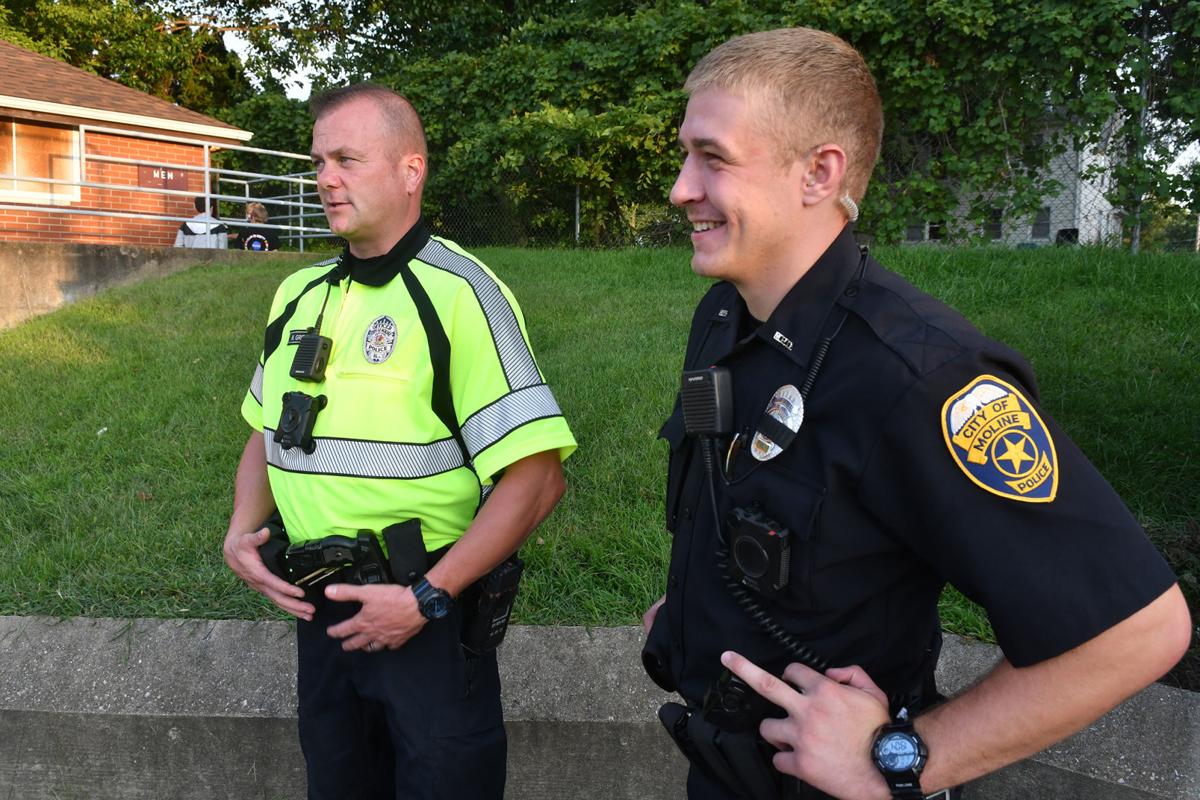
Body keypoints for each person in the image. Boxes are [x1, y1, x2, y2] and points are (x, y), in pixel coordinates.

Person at [640, 27, 1191, 800]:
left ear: (818, 173)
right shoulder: (727, 318)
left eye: (713, 157)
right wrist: (701, 604)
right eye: (685, 155)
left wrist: (904, 756)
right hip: (725, 767)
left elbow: (1137, 631)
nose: (679, 187)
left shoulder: (922, 376)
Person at [223, 83, 576, 800]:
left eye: (347, 159)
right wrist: (240, 529)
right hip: (321, 611)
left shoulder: (460, 293)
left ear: (410, 171)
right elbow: (269, 431)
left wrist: (427, 596)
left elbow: (537, 479)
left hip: (424, 617)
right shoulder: (297, 293)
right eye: (319, 161)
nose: (325, 178)